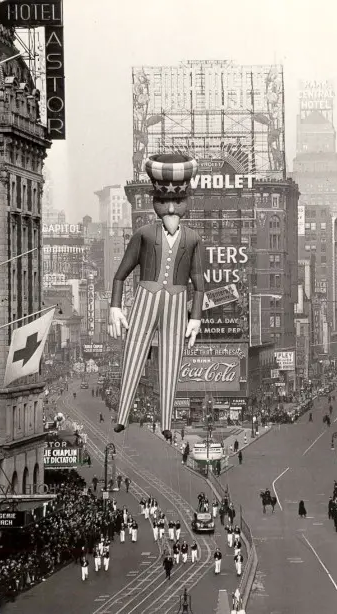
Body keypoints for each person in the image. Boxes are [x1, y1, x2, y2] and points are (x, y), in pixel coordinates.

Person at [109, 154, 204, 441]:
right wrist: (115, 306)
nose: (172, 207)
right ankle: (122, 414)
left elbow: (199, 283)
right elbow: (120, 274)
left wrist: (196, 317)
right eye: (164, 201)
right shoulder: (144, 234)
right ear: (156, 201)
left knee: (172, 356)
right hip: (145, 296)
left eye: (178, 200)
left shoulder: (193, 238)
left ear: (186, 200)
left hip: (176, 300)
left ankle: (166, 421)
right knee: (134, 351)